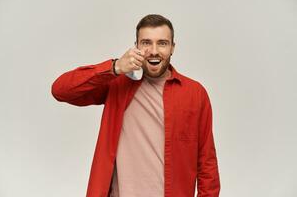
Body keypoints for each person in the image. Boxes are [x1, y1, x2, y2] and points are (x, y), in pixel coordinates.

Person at [51, 14, 220, 197]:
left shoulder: (195, 93)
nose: (154, 51)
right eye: (146, 43)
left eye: (162, 43)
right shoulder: (116, 84)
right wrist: (114, 67)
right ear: (137, 46)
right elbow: (61, 90)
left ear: (172, 48)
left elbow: (207, 163)